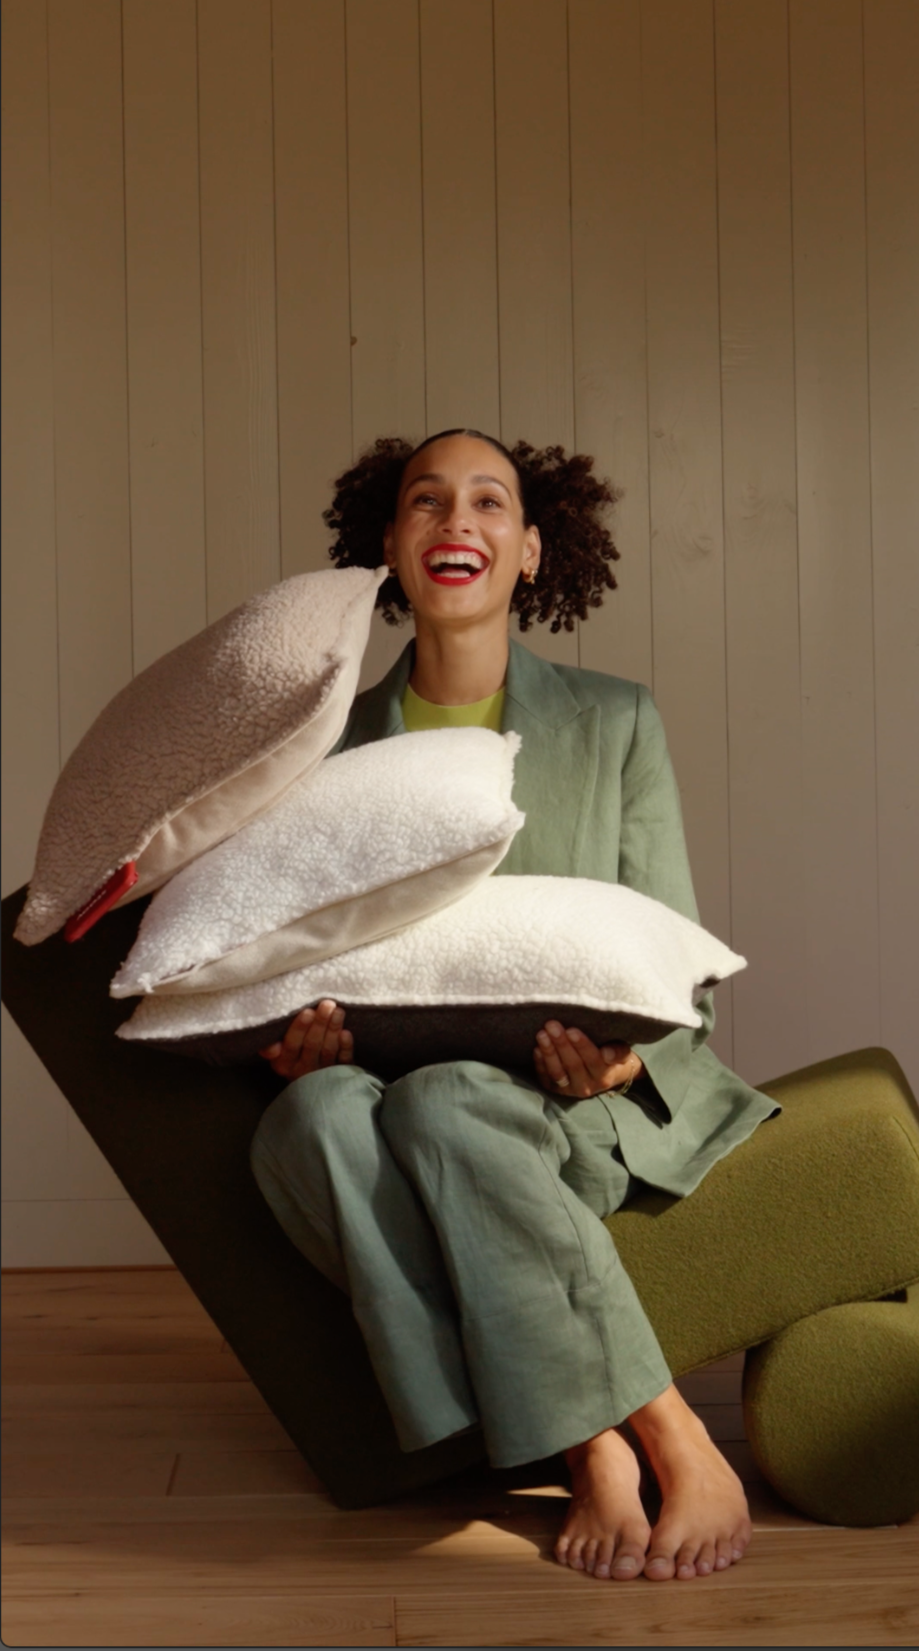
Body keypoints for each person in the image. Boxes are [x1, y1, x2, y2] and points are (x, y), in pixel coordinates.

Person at [249, 428, 777, 1583]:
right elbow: (298, 947)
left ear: (531, 551)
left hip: (569, 1111)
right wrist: (299, 1041)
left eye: (489, 502)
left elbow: (673, 959)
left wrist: (627, 1061)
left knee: (448, 1101)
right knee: (311, 1121)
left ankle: (631, 1434)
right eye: (426, 502)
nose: (457, 521)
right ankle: (607, 1431)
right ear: (391, 546)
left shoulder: (616, 720)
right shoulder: (323, 749)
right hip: (385, 1097)